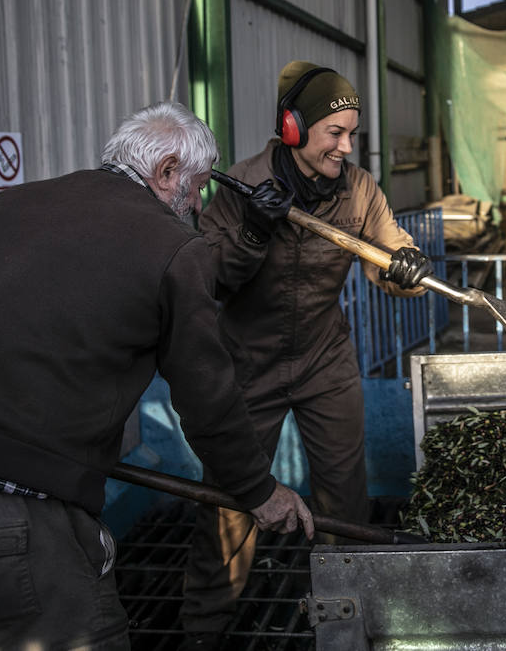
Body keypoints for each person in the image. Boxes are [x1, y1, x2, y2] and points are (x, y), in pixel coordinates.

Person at [0, 102, 313, 650]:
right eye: (195, 191)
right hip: (3, 521)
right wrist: (257, 490)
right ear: (167, 171)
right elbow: (206, 396)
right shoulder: (174, 248)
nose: (195, 206)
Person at [181, 62, 431, 638]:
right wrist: (252, 232)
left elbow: (388, 256)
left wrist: (408, 266)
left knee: (345, 497)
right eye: (334, 134)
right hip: (248, 364)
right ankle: (204, 628)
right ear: (293, 129)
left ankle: (352, 620)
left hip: (325, 360)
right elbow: (213, 279)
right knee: (231, 504)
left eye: (352, 135)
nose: (345, 147)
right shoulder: (241, 185)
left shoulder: (360, 189)